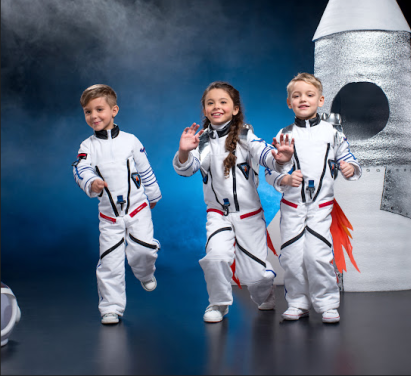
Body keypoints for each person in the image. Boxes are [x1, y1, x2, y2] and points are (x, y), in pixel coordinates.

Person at [173, 81, 294, 323]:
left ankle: (265, 294)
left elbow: (266, 156)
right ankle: (218, 303)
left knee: (257, 275)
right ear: (205, 110)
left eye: (223, 102)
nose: (216, 106)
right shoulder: (202, 141)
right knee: (216, 257)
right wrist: (184, 151)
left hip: (249, 215)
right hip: (218, 214)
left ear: (235, 109)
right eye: (210, 103)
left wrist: (281, 158)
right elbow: (187, 169)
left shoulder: (246, 136)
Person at [265, 73, 361, 323]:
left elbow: (348, 158)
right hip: (293, 206)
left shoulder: (332, 133)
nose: (303, 99)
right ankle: (298, 302)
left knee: (317, 255)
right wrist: (285, 178)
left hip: (320, 206)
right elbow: (271, 169)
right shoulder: (284, 134)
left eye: (309, 95)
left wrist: (350, 168)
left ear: (321, 100)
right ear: (289, 103)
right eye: (296, 96)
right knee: (292, 256)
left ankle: (327, 303)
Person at [72, 84, 161, 325]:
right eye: (88, 111)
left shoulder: (131, 141)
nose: (94, 116)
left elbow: (145, 168)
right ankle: (111, 307)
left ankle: (145, 273)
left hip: (138, 209)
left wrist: (153, 195)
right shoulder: (87, 146)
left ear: (114, 110)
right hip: (110, 216)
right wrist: (91, 182)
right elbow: (80, 168)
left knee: (144, 250)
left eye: (99, 109)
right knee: (110, 262)